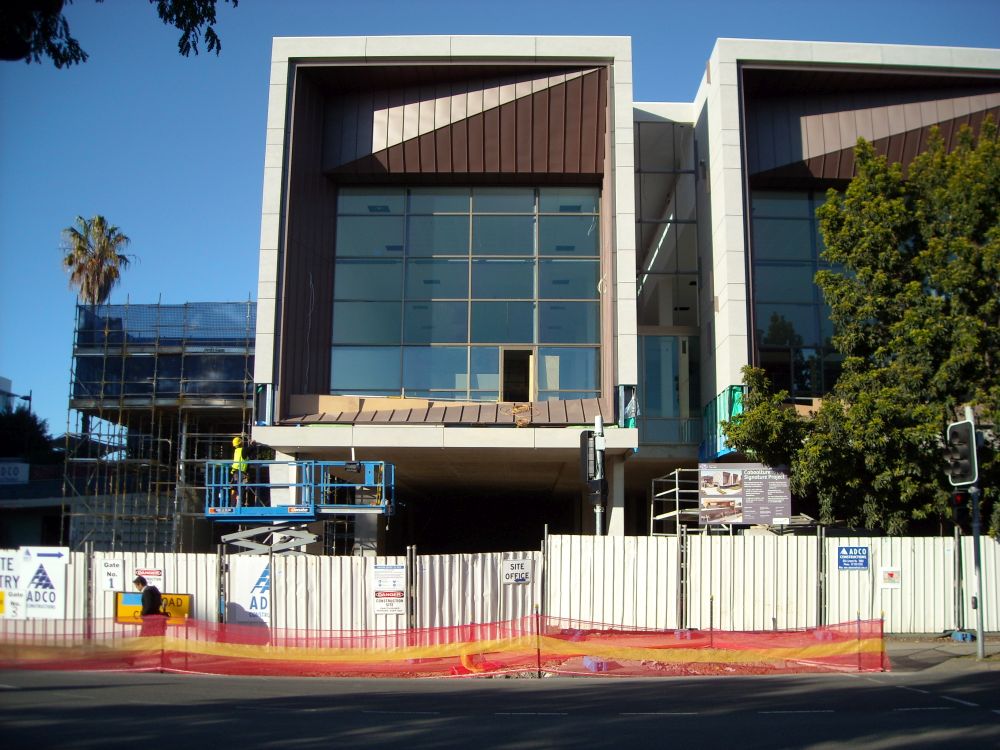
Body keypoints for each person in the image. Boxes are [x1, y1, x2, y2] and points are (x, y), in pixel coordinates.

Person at [231, 435, 248, 503]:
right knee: (240, 489)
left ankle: (233, 505)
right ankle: (238, 505)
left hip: (235, 471)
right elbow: (250, 449)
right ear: (241, 443)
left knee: (234, 489)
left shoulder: (236, 451)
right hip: (240, 472)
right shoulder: (243, 450)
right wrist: (253, 444)